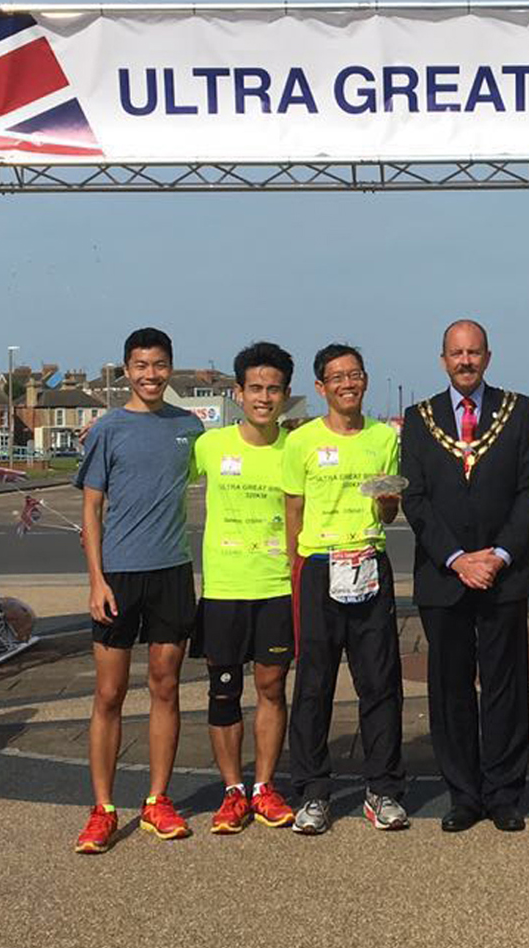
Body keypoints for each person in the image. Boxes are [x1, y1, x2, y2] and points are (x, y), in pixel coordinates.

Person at [400, 320, 529, 834]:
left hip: (504, 573)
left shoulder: (520, 410)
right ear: (443, 359)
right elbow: (413, 499)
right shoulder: (420, 419)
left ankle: (505, 793)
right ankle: (463, 793)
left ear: (488, 356)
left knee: (505, 684)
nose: (465, 361)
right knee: (450, 687)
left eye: (474, 352)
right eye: (456, 353)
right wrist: (458, 557)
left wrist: (499, 554)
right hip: (445, 576)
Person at [73, 327, 205, 854]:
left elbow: (235, 459)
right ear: (125, 370)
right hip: (119, 578)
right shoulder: (109, 429)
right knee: (109, 694)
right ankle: (103, 809)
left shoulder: (190, 428)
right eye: (140, 365)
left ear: (171, 368)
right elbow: (90, 509)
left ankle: (157, 800)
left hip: (172, 572)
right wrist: (97, 580)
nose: (150, 374)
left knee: (166, 686)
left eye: (159, 364)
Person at [282, 343, 408, 835]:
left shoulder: (383, 437)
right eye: (336, 377)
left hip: (369, 561)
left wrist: (388, 505)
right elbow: (294, 510)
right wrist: (300, 565)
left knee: (379, 683)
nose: (347, 384)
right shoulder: (302, 441)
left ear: (365, 380)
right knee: (314, 684)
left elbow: (390, 512)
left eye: (354, 374)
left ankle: (383, 790)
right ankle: (313, 792)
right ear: (321, 387)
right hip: (319, 565)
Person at [189, 342, 298, 834]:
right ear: (237, 393)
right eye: (255, 388)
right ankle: (233, 791)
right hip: (224, 590)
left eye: (273, 389)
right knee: (224, 692)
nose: (264, 397)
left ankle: (265, 787)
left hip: (276, 587)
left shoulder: (295, 449)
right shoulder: (209, 446)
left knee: (272, 687)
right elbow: (157, 480)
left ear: (286, 394)